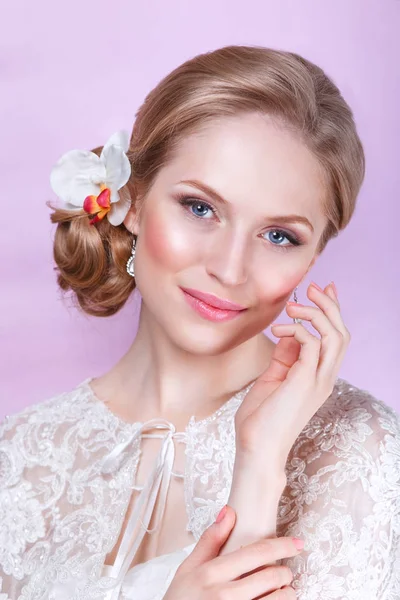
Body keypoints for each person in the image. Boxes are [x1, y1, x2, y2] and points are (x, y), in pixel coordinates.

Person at [1, 44, 399, 600]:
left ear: (312, 259)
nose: (229, 269)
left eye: (279, 236)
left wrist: (260, 470)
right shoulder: (17, 458)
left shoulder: (363, 453)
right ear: (132, 202)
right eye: (200, 207)